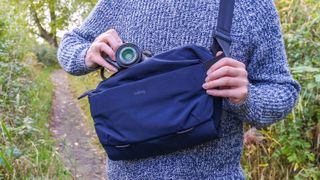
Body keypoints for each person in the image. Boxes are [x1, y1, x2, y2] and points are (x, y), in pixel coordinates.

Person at [57, 0, 300, 179]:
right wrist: (86, 54)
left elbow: (282, 91)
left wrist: (247, 96)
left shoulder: (252, 6)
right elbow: (70, 43)